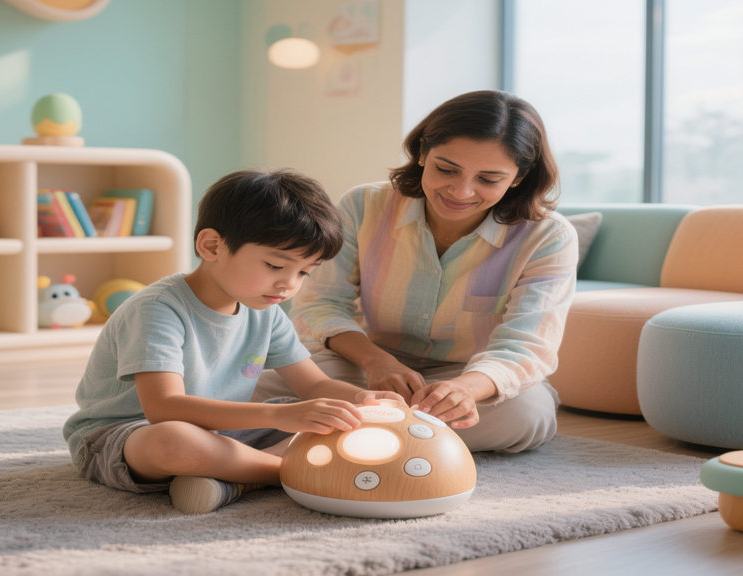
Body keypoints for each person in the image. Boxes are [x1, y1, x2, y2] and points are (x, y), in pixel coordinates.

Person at [252, 90, 578, 453]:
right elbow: (319, 305)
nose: (461, 190)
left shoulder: (550, 236)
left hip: (474, 377)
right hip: (365, 366)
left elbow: (528, 345)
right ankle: (405, 442)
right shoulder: (363, 206)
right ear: (423, 152)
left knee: (526, 415)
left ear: (520, 176)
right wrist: (377, 361)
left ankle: (288, 453)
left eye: (488, 179)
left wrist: (466, 389)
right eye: (446, 169)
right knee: (253, 389)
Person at [62, 169, 403, 515]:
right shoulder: (158, 308)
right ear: (212, 246)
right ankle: (289, 471)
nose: (288, 285)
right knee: (174, 440)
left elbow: (314, 384)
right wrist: (282, 415)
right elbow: (163, 408)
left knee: (339, 420)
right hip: (125, 436)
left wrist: (364, 400)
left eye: (303, 272)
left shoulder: (265, 309)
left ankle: (234, 477)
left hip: (224, 434)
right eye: (274, 265)